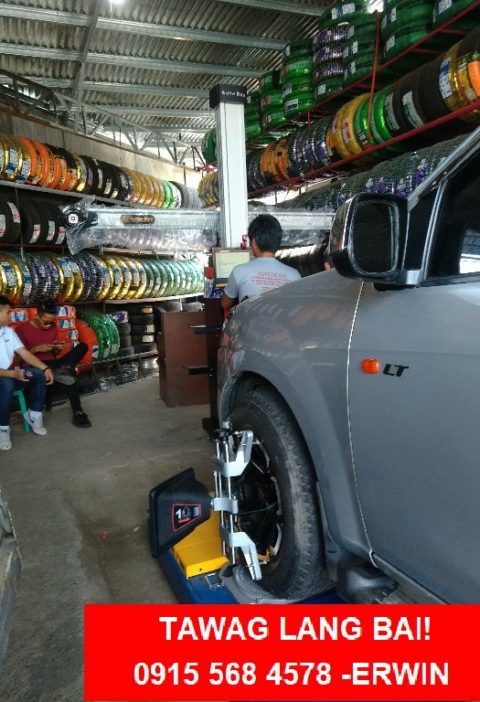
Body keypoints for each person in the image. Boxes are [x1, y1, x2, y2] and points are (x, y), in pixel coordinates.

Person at [16, 300, 92, 429]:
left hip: (54, 363)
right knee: (70, 375)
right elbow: (18, 357)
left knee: (82, 347)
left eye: (51, 322)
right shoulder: (22, 329)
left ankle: (65, 368)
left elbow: (55, 353)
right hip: (36, 365)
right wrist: (37, 349)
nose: (49, 325)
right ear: (37, 316)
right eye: (46, 322)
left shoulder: (53, 327)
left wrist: (56, 348)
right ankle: (78, 411)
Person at [0, 295, 55, 451]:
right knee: (6, 383)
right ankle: (3, 428)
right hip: (6, 378)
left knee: (37, 374)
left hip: (10, 375)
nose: (10, 316)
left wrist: (45, 368)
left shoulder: (8, 332)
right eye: (8, 313)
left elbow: (24, 353)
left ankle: (34, 415)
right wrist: (13, 374)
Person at [221, 214, 301, 311]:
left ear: (253, 242)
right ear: (278, 242)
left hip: (250, 321)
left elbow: (225, 304)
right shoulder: (295, 275)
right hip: (281, 320)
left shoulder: (239, 271)